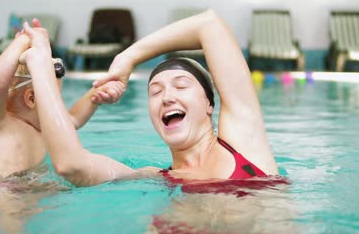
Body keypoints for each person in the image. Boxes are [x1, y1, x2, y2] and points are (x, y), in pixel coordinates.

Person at [32, 10, 278, 187]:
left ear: (209, 105)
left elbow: (209, 25)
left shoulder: (244, 144)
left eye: (181, 86)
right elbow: (71, 165)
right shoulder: (153, 178)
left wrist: (128, 58)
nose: (167, 97)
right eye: (156, 92)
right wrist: (40, 66)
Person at [0, 19, 125, 179]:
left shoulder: (44, 127)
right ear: (31, 98)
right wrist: (24, 39)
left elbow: (73, 118)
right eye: (55, 96)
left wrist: (96, 94)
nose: (55, 104)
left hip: (30, 189)